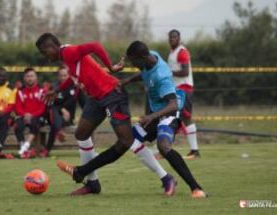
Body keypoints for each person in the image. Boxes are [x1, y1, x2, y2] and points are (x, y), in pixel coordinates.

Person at [36, 33, 175, 196]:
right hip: (97, 98)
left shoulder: (68, 52)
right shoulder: (65, 56)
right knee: (81, 134)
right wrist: (57, 90)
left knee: (127, 140)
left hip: (112, 95)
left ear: (50, 48)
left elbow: (95, 45)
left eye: (44, 53)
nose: (45, 57)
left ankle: (166, 178)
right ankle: (92, 183)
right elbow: (74, 77)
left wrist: (110, 67)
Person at [122, 41, 207, 198]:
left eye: (134, 62)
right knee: (127, 138)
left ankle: (196, 188)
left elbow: (173, 105)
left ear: (142, 57)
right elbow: (143, 72)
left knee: (163, 146)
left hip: (169, 113)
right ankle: (167, 178)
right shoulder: (150, 56)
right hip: (156, 113)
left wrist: (151, 116)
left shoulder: (162, 75)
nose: (133, 65)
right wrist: (126, 80)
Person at [168, 29, 200, 159]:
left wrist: (169, 73)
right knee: (174, 118)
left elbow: (185, 72)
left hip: (184, 89)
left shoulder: (182, 52)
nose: (172, 39)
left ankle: (194, 151)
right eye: (170, 37)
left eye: (175, 37)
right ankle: (166, 148)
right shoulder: (172, 52)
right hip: (177, 89)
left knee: (185, 118)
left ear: (179, 38)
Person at [14, 67, 46, 159]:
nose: (30, 78)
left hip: (36, 116)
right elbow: (18, 107)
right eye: (28, 76)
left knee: (35, 124)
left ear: (36, 78)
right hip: (23, 116)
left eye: (32, 76)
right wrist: (25, 114)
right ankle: (23, 147)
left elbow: (42, 108)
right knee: (17, 127)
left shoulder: (41, 91)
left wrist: (32, 115)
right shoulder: (20, 92)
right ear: (24, 78)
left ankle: (25, 147)